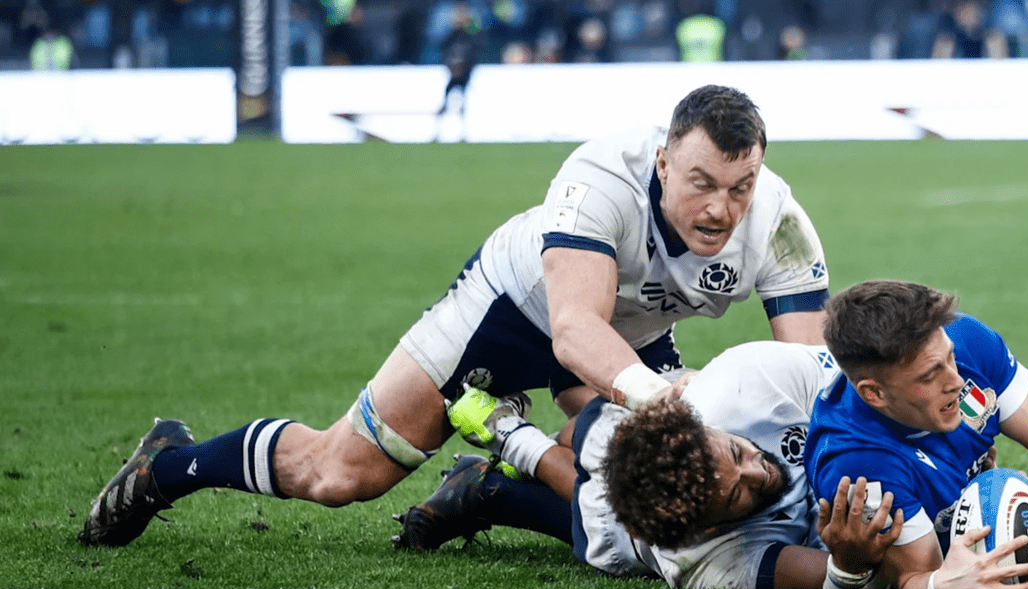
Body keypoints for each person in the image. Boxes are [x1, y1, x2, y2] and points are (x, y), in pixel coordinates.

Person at [79, 84, 831, 547]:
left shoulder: (778, 220)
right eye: (701, 182)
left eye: (739, 186)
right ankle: (166, 465)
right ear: (663, 161)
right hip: (513, 312)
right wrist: (666, 398)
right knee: (342, 473)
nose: (719, 208)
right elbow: (572, 332)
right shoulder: (601, 175)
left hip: (627, 338)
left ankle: (494, 484)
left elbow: (810, 374)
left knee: (662, 493)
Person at [395, 341, 902, 589]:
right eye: (735, 498)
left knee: (591, 426)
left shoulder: (722, 397)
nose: (760, 475)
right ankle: (504, 435)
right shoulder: (706, 559)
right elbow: (828, 582)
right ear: (706, 524)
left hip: (645, 421)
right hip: (622, 534)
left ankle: (506, 462)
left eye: (738, 455)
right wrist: (851, 564)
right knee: (585, 497)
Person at [804, 279, 1028, 589]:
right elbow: (914, 577)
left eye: (949, 358)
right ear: (875, 394)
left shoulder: (966, 339)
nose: (955, 381)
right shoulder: (858, 462)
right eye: (930, 376)